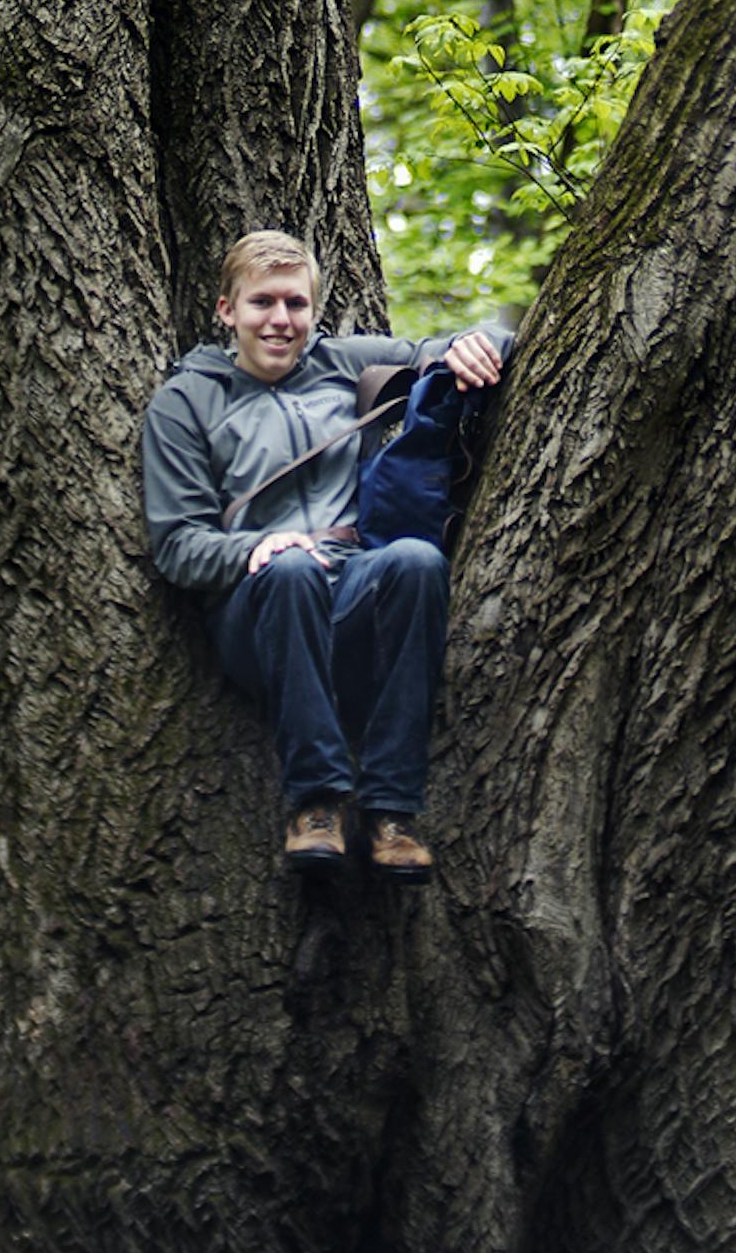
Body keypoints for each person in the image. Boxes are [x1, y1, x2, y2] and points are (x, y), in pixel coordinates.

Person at [140, 224, 504, 876]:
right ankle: (318, 802)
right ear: (228, 310)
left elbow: (450, 347)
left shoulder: (342, 362)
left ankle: (391, 810)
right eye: (263, 303)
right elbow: (177, 544)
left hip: (352, 587)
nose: (281, 320)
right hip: (260, 611)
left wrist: (484, 345)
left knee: (417, 561)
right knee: (291, 570)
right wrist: (253, 548)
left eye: (296, 304)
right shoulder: (185, 402)